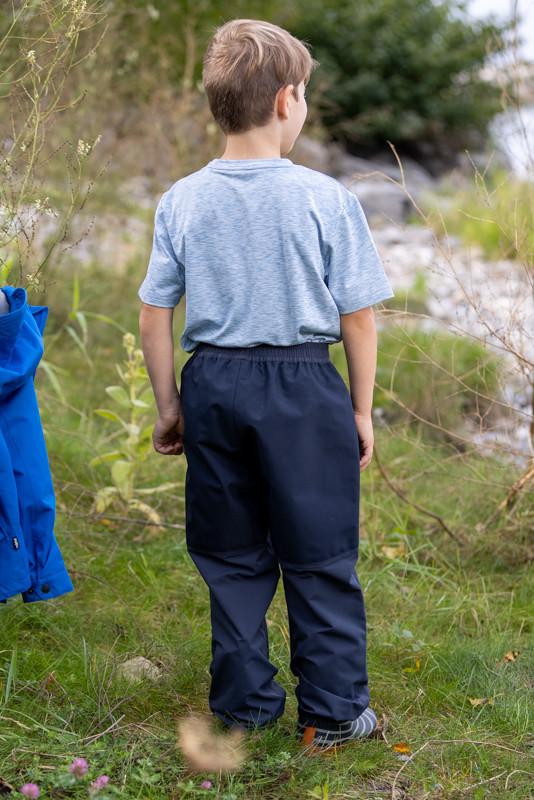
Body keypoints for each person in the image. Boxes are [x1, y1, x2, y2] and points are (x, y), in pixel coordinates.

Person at [137, 18, 394, 749]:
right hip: (303, 386)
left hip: (213, 382)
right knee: (319, 552)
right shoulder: (324, 198)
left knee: (230, 554)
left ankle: (245, 709)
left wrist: (169, 405)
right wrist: (361, 411)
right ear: (287, 101)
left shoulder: (182, 199)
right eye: (306, 95)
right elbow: (360, 319)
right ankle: (336, 713)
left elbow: (157, 314)